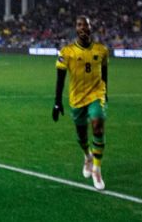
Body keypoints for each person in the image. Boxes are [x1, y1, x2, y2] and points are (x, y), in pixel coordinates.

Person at [53, 15, 109, 190]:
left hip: (96, 95)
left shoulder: (101, 50)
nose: (83, 28)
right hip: (76, 98)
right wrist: (57, 102)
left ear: (90, 28)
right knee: (82, 135)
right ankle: (87, 156)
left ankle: (97, 169)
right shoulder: (66, 52)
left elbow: (105, 73)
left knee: (98, 124)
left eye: (86, 25)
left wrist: (106, 93)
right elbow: (60, 79)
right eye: (79, 25)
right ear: (76, 29)